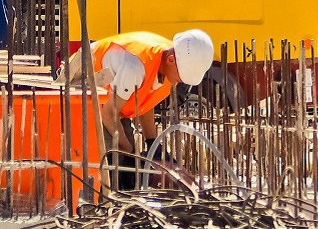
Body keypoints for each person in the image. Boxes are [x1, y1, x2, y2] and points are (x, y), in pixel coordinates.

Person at [67, 29, 215, 189]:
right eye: (181, 76)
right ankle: (102, 199)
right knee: (113, 156)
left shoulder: (166, 63)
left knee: (127, 158)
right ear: (171, 60)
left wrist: (152, 143)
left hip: (111, 102)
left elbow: (145, 103)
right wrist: (129, 152)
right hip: (79, 87)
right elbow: (109, 114)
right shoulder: (135, 66)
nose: (180, 82)